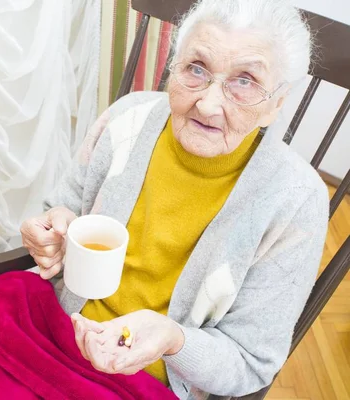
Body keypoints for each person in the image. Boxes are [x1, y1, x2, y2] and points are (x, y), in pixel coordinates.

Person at [20, 0, 328, 398]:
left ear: (276, 103)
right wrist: (50, 229)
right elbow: (61, 210)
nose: (208, 104)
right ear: (174, 66)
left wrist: (172, 339)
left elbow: (251, 362)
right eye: (196, 69)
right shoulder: (125, 120)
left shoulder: (295, 200)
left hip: (144, 381)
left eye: (245, 80)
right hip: (54, 329)